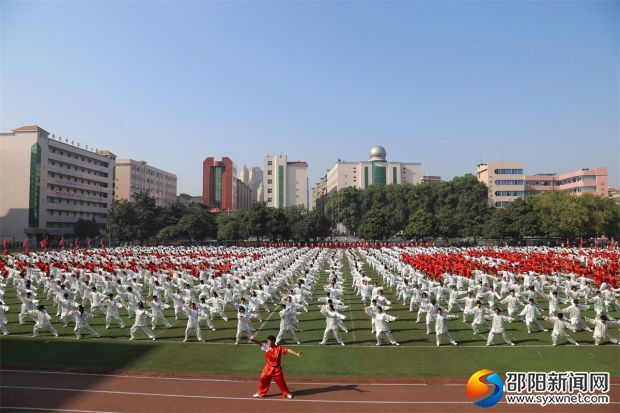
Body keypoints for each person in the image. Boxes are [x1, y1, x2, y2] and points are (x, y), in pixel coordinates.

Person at [250, 334, 302, 399]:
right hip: (268, 368)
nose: (268, 342)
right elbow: (259, 343)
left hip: (277, 369)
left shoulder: (279, 348)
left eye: (269, 341)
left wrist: (296, 353)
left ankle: (287, 393)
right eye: (268, 341)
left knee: (281, 382)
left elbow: (288, 350)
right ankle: (260, 393)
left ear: (273, 341)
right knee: (262, 379)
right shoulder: (266, 347)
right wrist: (253, 340)